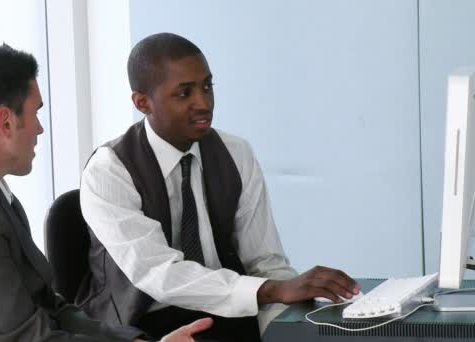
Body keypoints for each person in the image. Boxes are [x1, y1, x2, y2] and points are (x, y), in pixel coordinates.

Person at [0, 44, 212, 342]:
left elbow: (50, 308)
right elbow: (26, 339)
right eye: (36, 112)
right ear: (5, 122)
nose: (40, 128)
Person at [78, 33, 361, 341]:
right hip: (142, 325)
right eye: (184, 93)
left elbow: (266, 263)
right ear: (142, 102)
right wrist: (273, 290)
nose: (203, 103)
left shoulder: (235, 152)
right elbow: (159, 274)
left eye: (207, 86)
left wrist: (286, 329)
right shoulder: (109, 169)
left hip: (229, 311)